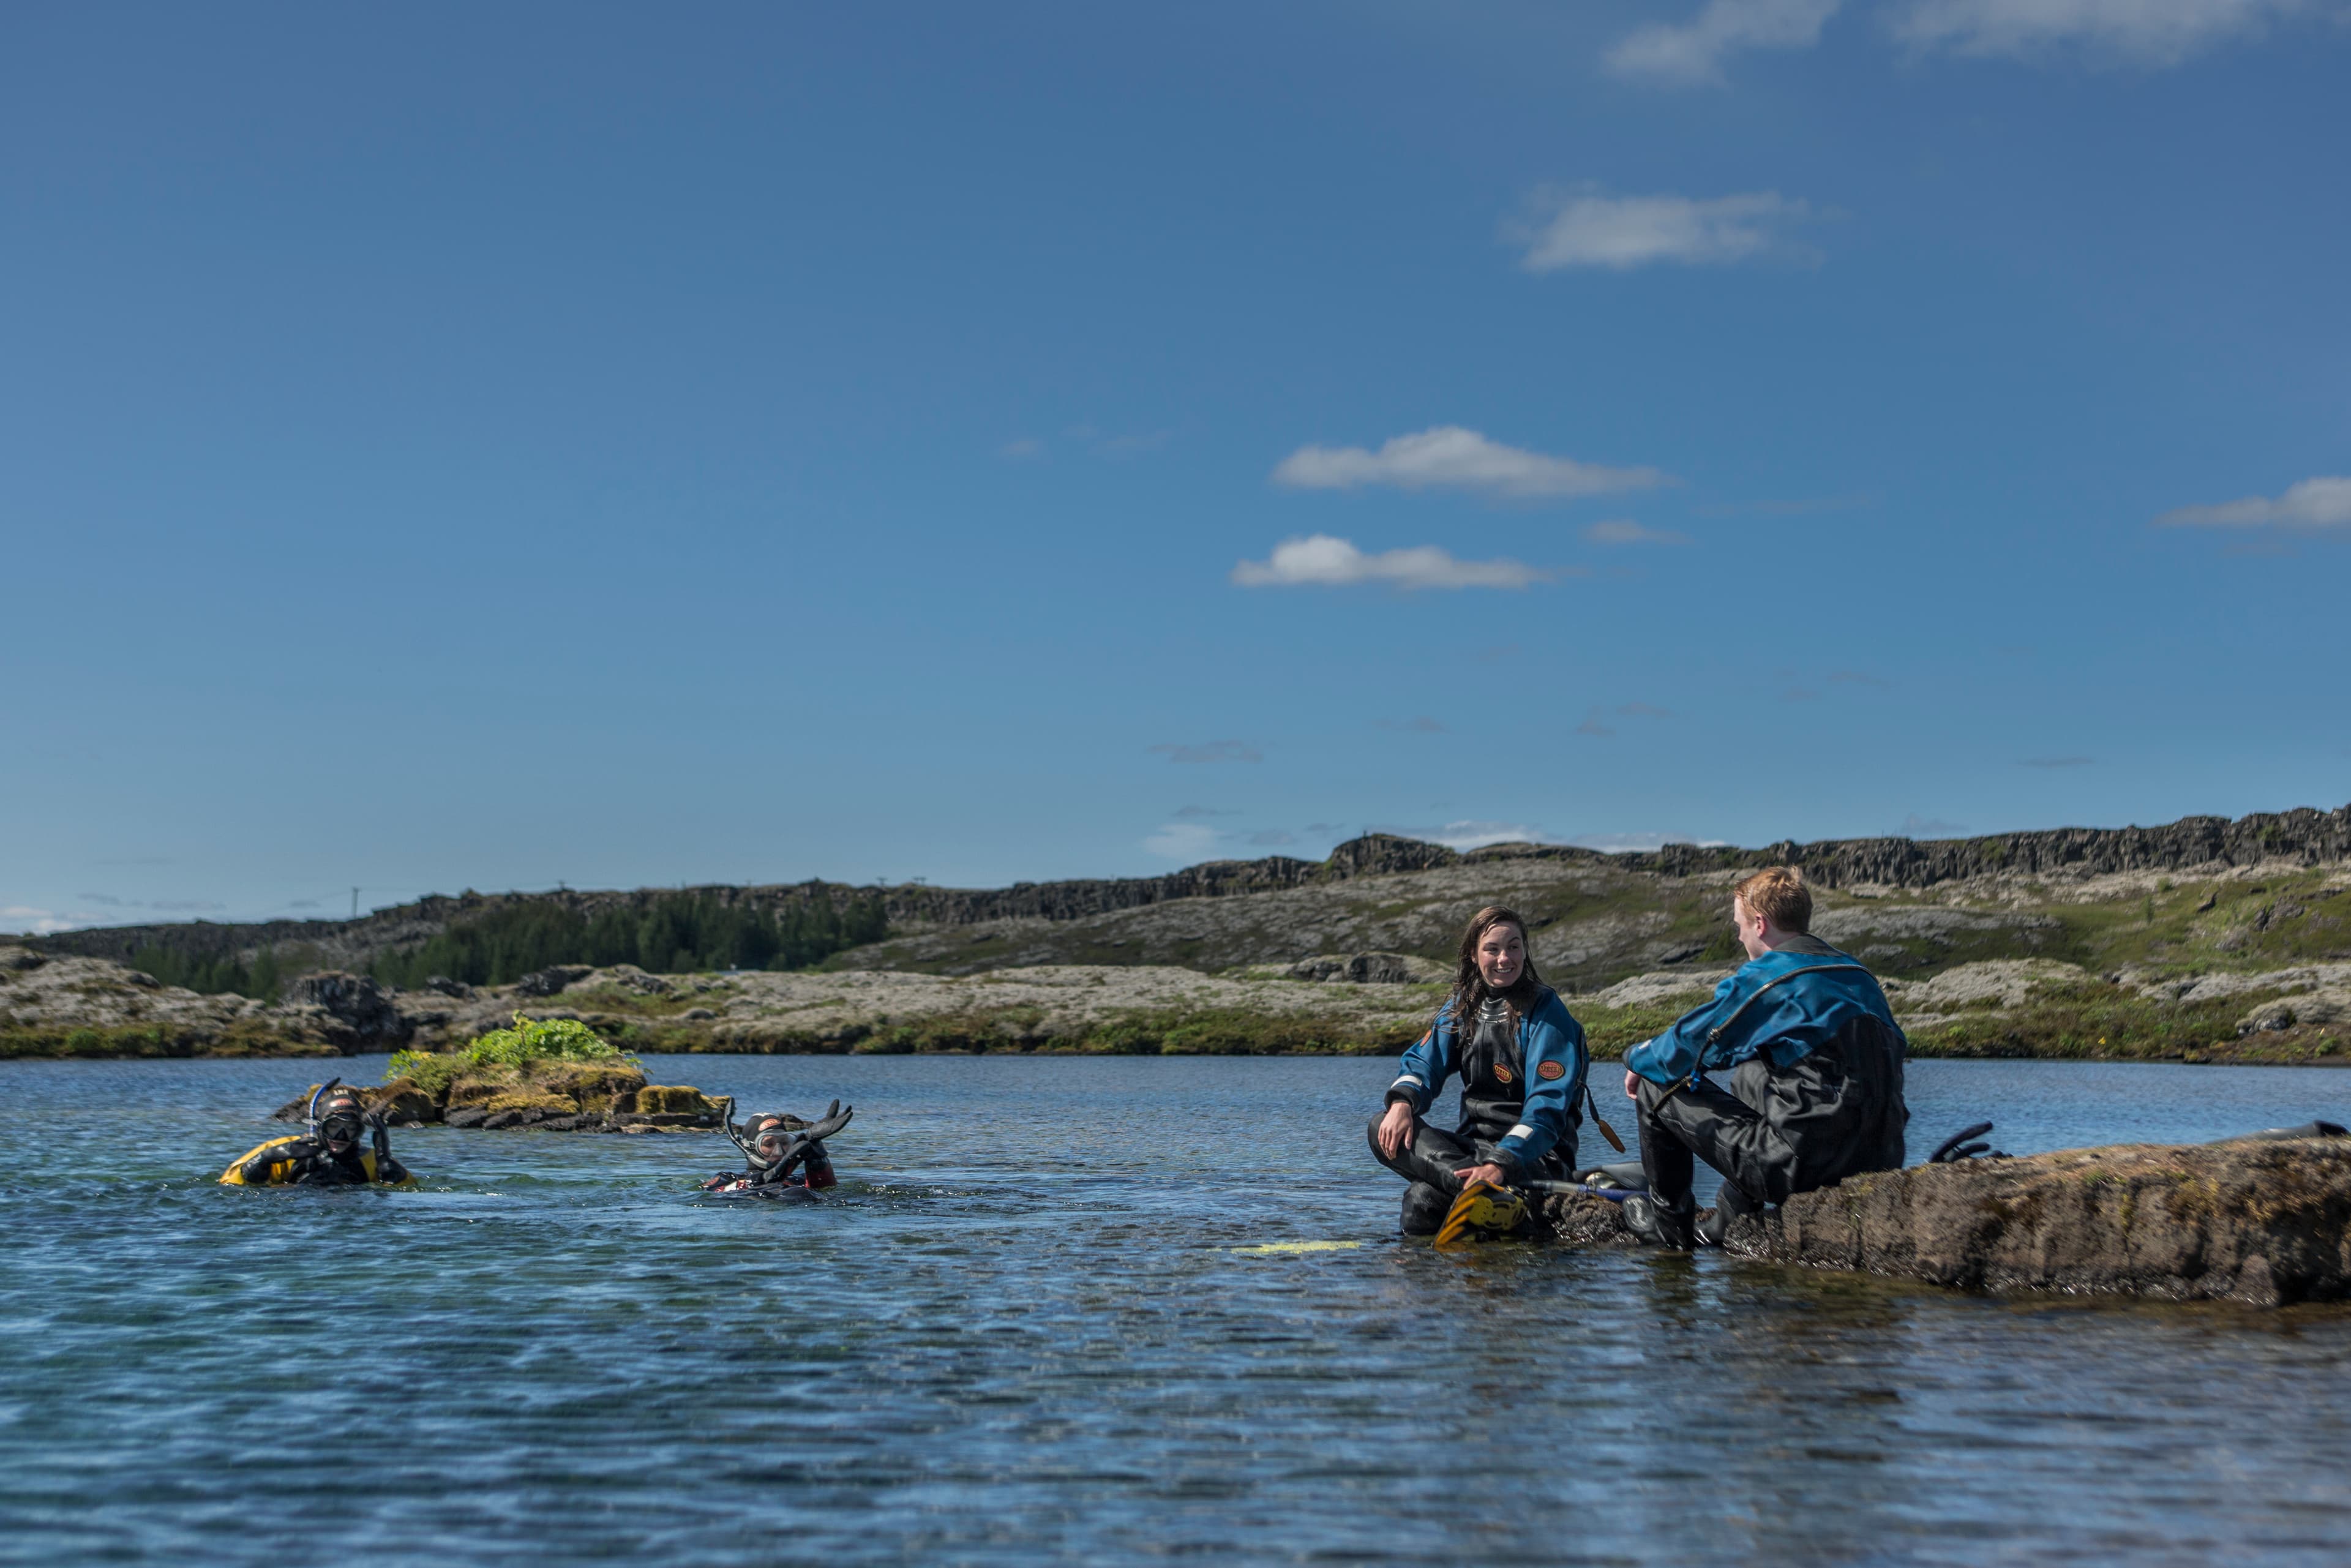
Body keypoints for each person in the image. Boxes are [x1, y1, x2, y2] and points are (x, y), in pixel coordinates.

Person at [1619, 866, 1907, 1248]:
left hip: (1803, 1168)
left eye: (1738, 924)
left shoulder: (1771, 977)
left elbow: (1687, 1048)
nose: (1737, 934)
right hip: (1883, 1158)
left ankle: (1670, 1229)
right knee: (1752, 1073)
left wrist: (1634, 1058)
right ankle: (1729, 1218)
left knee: (1659, 1085)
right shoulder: (1857, 974)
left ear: (1760, 923)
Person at [1369, 905, 1589, 1238]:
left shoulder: (1547, 1009)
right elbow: (1423, 1063)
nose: (1505, 959)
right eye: (1493, 949)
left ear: (1525, 951)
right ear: (1474, 954)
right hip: (1472, 1150)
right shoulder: (1464, 1003)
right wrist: (1402, 1104)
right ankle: (1473, 1188)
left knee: (1422, 1197)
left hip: (1535, 1156)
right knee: (1381, 1129)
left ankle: (1482, 1191)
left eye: (1514, 947)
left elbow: (1547, 1108)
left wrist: (1501, 1163)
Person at [221, 1084, 413, 1187]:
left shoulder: (371, 1160)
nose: (340, 1136)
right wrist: (266, 1158)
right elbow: (229, 1183)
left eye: (350, 1129)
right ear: (321, 1126)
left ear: (360, 1131)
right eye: (334, 1127)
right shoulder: (285, 1150)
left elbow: (410, 1190)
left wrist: (387, 1162)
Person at [703, 1098, 852, 1195]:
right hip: (759, 1210)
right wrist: (763, 1178)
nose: (779, 1151)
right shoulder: (726, 1178)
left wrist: (817, 1156)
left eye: (785, 1142)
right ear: (750, 1147)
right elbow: (709, 1193)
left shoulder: (799, 1179)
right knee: (795, 1193)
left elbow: (827, 1190)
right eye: (769, 1144)